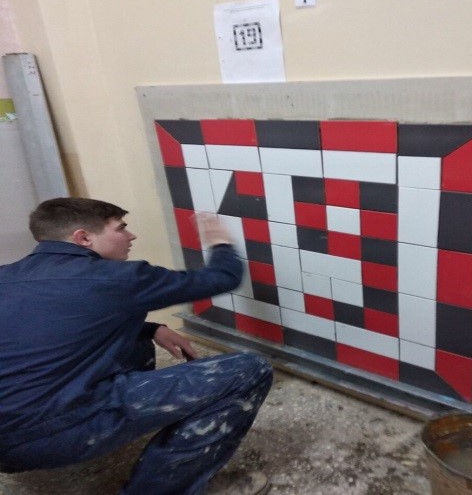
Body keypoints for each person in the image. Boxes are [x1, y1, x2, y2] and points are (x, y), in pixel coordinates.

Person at [0, 197, 273, 495]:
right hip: (50, 434)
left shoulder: (6, 276)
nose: (131, 236)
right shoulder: (117, 278)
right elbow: (222, 278)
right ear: (83, 238)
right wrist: (221, 242)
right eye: (121, 228)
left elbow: (50, 328)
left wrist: (152, 329)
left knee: (137, 341)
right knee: (249, 370)